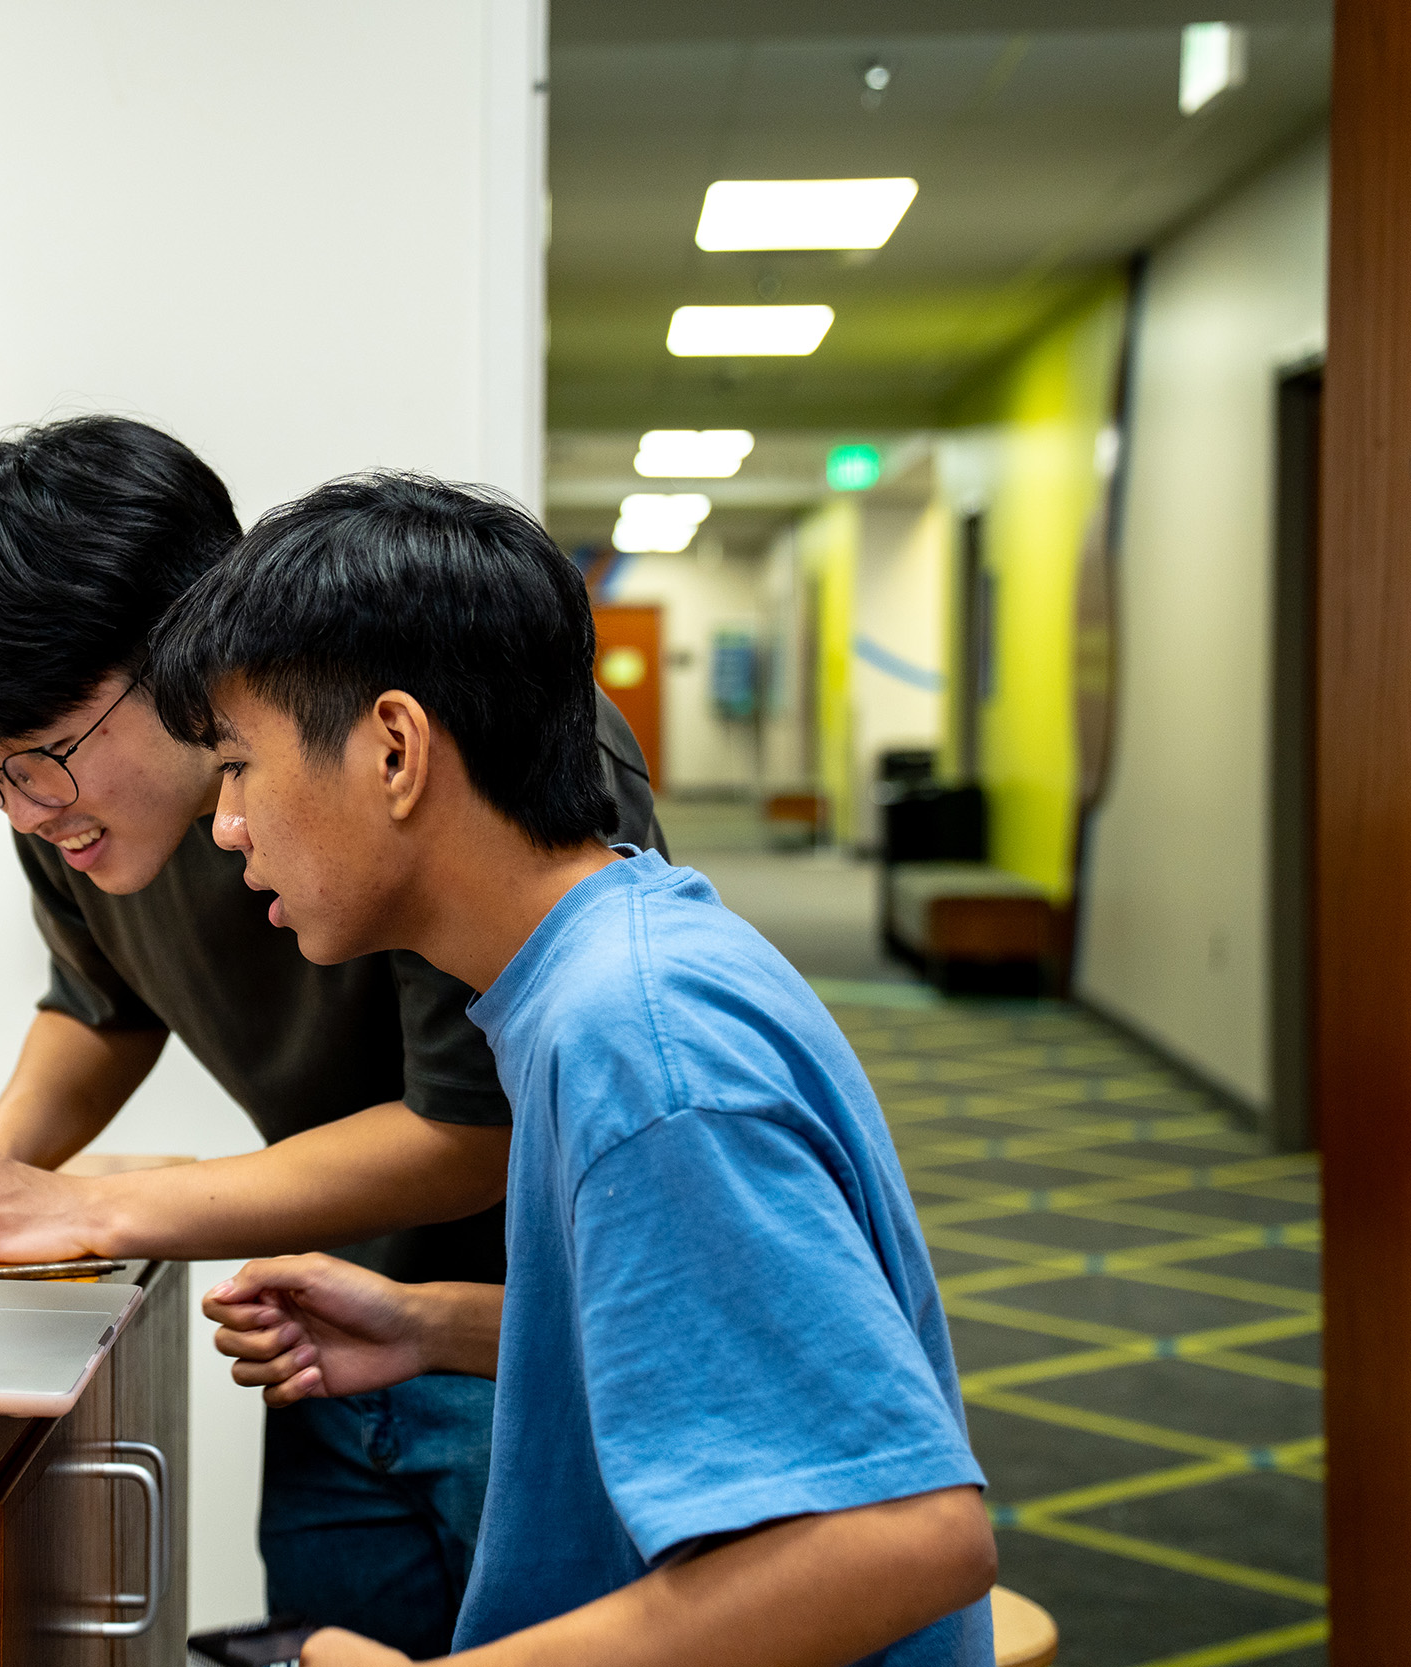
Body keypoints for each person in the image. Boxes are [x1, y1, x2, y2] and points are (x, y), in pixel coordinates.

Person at [0, 417, 662, 1656]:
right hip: (336, 1325)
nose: (20, 807)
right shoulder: (70, 801)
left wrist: (91, 1210)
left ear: (182, 658)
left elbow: (473, 1127)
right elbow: (101, 1005)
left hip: (524, 1336)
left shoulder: (432, 760)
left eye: (42, 756)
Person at [151, 473, 996, 1667]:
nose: (227, 823)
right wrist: (432, 1324)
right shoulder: (606, 964)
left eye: (239, 765)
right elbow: (706, 1337)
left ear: (394, 749)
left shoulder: (639, 1039)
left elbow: (906, 1535)